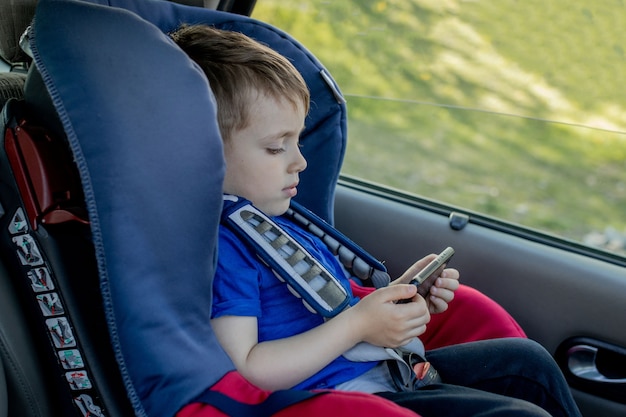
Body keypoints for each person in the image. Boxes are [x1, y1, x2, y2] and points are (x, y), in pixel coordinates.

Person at [171, 24, 582, 417]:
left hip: (383, 372)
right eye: (277, 148)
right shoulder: (225, 248)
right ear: (207, 151)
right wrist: (359, 325)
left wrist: (398, 299)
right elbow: (249, 369)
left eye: (298, 140)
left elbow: (328, 309)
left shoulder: (272, 224)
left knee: (527, 365)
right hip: (343, 396)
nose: (300, 161)